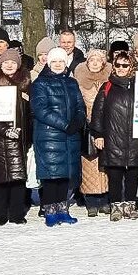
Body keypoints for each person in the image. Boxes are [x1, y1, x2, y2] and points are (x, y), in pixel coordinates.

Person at [30, 47, 87, 226]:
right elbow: (40, 109)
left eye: (61, 61)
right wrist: (64, 125)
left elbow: (80, 105)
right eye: (54, 61)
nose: (57, 64)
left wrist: (78, 120)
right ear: (48, 63)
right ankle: (50, 211)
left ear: (66, 63)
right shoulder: (40, 83)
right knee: (51, 176)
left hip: (70, 137)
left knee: (65, 175)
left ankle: (63, 209)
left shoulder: (72, 83)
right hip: (49, 136)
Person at [91, 50, 138, 220]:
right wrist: (98, 134)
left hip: (135, 138)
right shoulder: (107, 87)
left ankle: (130, 204)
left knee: (133, 174)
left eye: (125, 65)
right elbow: (98, 113)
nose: (121, 68)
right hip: (113, 138)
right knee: (115, 174)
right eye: (118, 65)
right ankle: (115, 205)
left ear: (131, 66)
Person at [0, 48, 32, 226]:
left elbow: (29, 113)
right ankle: (1, 214)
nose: (9, 65)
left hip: (20, 137)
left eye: (13, 62)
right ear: (0, 64)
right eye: (6, 62)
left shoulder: (25, 84)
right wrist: (4, 131)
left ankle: (17, 213)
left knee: (18, 177)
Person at [74, 49, 112, 217]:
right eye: (92, 60)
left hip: (108, 129)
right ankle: (91, 202)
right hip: (87, 130)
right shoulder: (80, 83)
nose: (95, 63)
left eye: (98, 60)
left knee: (105, 167)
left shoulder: (110, 82)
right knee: (89, 165)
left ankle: (105, 200)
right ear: (87, 63)